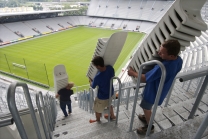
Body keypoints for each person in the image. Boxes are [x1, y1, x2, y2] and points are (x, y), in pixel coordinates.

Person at [127, 40, 183, 134]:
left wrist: (132, 73)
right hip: (163, 89)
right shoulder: (179, 60)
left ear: (171, 56)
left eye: (162, 52)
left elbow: (144, 78)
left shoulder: (162, 67)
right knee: (149, 107)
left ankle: (150, 126)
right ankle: (147, 116)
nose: (158, 52)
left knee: (146, 108)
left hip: (152, 92)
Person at [89, 56, 116, 123]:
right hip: (111, 93)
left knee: (97, 109)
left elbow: (93, 86)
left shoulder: (97, 77)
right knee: (109, 104)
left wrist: (90, 81)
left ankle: (98, 120)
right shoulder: (110, 68)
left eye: (95, 65)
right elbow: (112, 75)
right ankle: (112, 116)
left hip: (102, 96)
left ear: (98, 66)